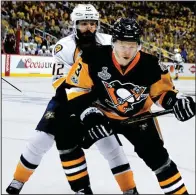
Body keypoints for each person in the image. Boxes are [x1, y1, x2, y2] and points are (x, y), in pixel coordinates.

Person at [6, 5, 138, 195]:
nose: (89, 28)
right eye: (84, 23)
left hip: (99, 102)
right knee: (40, 139)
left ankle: (129, 189)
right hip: (67, 100)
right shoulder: (63, 47)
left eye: (92, 23)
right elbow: (61, 85)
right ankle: (18, 180)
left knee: (109, 144)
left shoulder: (110, 42)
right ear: (75, 24)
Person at [65, 17, 196, 194]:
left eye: (132, 46)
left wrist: (176, 103)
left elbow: (163, 93)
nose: (127, 51)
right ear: (113, 43)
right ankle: (82, 189)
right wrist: (89, 114)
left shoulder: (151, 64)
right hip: (101, 115)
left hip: (138, 117)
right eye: (122, 45)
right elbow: (75, 88)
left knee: (160, 160)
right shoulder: (92, 57)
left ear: (139, 45)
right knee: (66, 135)